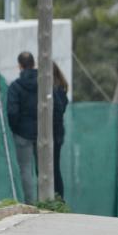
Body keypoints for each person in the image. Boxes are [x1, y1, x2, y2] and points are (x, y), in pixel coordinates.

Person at [7, 51, 39, 204]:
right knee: (45, 169)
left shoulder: (15, 86)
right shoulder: (45, 83)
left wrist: (15, 128)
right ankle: (47, 200)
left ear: (19, 66)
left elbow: (12, 111)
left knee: (26, 169)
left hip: (22, 133)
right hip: (43, 132)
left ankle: (30, 203)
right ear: (34, 64)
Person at [52, 62, 70, 200]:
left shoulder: (55, 90)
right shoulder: (61, 89)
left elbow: (58, 109)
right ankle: (57, 197)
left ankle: (57, 198)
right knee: (54, 167)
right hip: (58, 133)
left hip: (54, 133)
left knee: (53, 168)